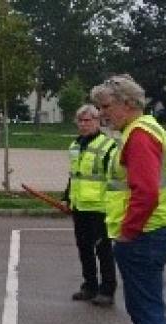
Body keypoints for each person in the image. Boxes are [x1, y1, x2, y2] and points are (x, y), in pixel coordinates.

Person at [90, 74, 166, 324]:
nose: (103, 114)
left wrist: (128, 231)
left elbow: (146, 192)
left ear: (127, 104)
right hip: (152, 234)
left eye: (106, 107)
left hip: (144, 236)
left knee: (147, 313)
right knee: (147, 311)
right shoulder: (144, 130)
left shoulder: (139, 136)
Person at [62, 104, 118, 306]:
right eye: (81, 121)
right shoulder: (75, 146)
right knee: (84, 248)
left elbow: (114, 179)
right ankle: (89, 286)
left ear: (98, 121)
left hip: (100, 208)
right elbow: (74, 176)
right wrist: (67, 197)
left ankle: (107, 290)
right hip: (80, 207)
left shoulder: (108, 146)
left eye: (88, 120)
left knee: (103, 250)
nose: (84, 124)